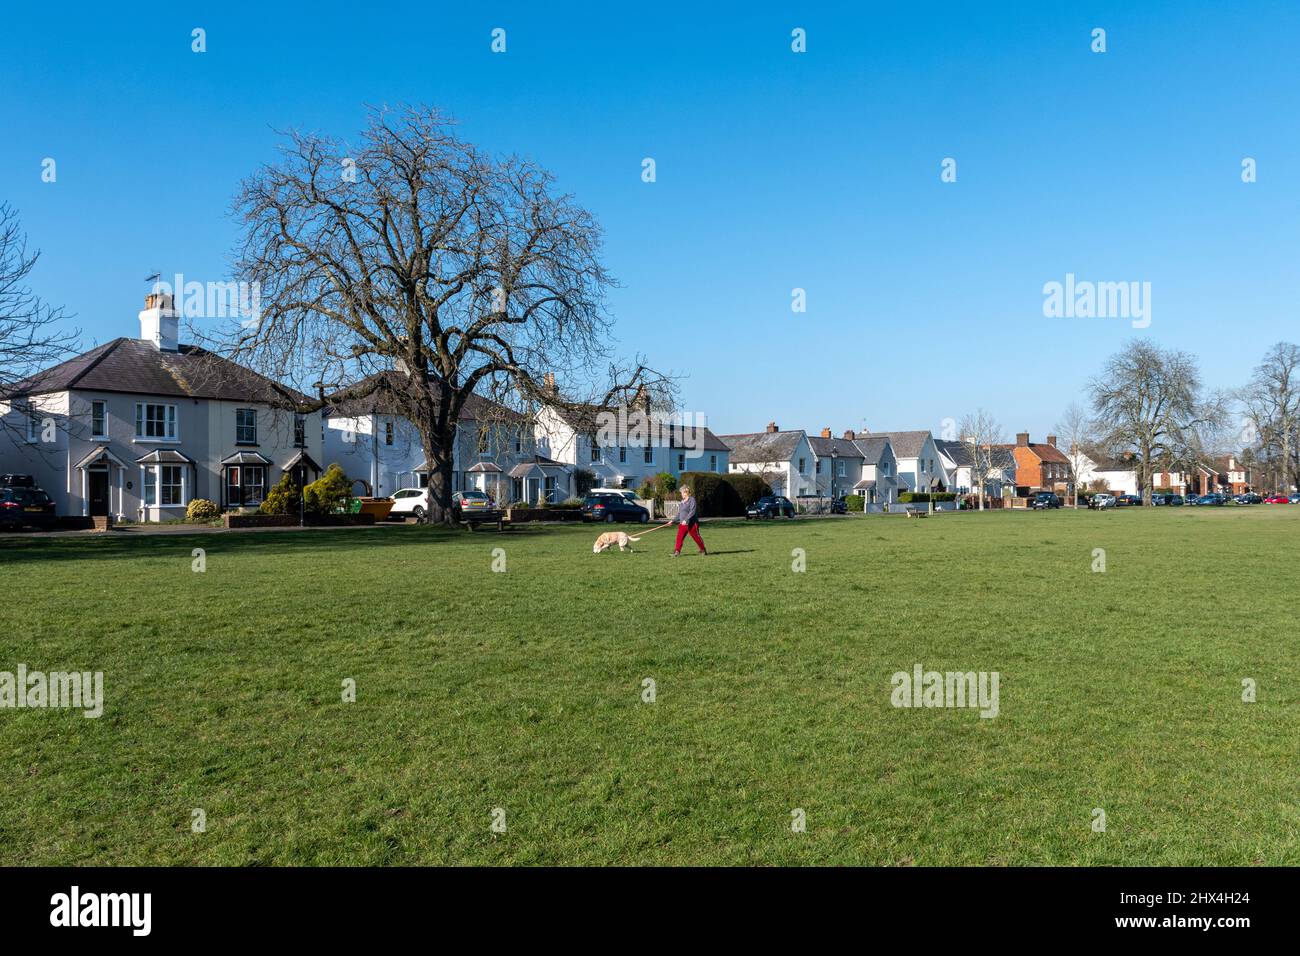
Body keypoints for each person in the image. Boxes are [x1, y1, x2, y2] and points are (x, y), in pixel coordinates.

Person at [673, 485, 707, 556]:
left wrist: (686, 520)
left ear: (686, 492)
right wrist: (673, 520)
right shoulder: (682, 502)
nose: (681, 494)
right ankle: (677, 552)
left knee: (696, 537)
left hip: (692, 523)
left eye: (682, 492)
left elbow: (692, 511)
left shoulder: (692, 500)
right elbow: (680, 513)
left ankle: (703, 550)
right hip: (682, 524)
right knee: (679, 538)